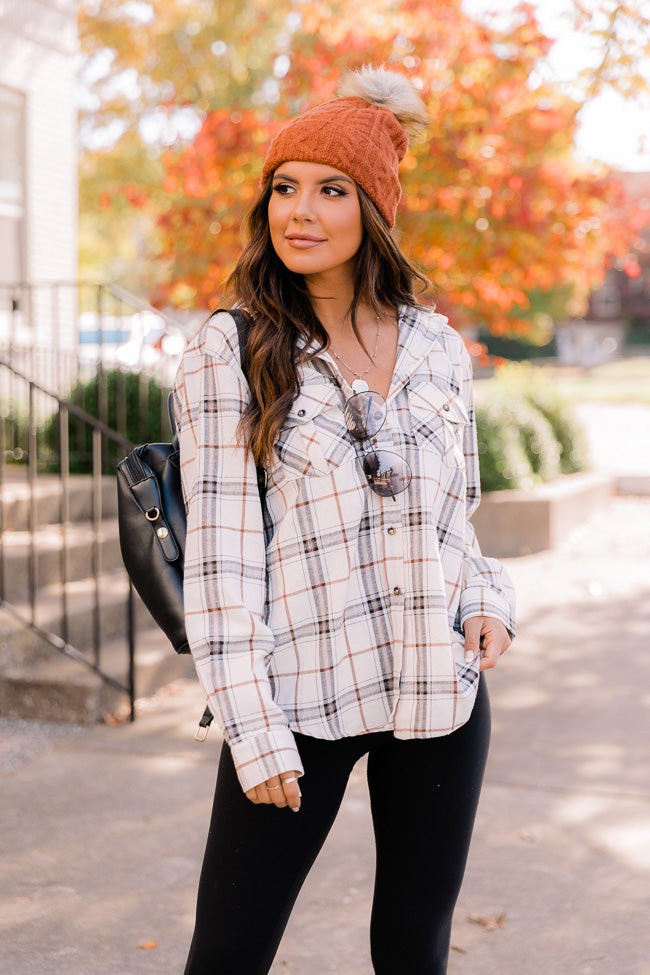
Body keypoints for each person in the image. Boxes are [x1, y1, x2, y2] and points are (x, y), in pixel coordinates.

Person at [173, 65, 515, 975]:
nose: (300, 210)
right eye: (284, 187)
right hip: (300, 697)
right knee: (229, 955)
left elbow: (458, 517)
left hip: (437, 686)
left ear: (375, 208)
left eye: (331, 190)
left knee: (413, 948)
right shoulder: (233, 349)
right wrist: (251, 723)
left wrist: (488, 599)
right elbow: (219, 557)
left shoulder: (437, 344)